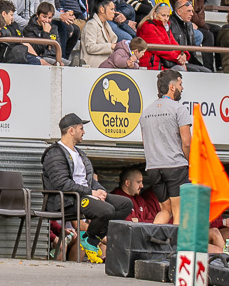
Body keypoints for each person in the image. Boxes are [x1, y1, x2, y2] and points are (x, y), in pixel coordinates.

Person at [42, 115, 130, 260]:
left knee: (125, 204)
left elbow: (88, 180)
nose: (84, 132)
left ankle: (91, 239)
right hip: (68, 201)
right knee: (107, 210)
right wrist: (91, 192)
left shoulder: (80, 154)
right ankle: (90, 238)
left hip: (85, 195)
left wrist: (100, 191)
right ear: (71, 131)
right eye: (81, 128)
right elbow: (62, 184)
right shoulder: (54, 153)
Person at [138, 68, 191, 223]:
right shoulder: (179, 109)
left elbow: (145, 141)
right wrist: (191, 162)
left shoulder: (146, 112)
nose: (182, 88)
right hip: (175, 166)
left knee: (165, 210)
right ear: (172, 87)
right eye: (180, 84)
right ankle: (177, 248)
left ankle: (152, 244)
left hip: (153, 167)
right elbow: (186, 142)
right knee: (179, 211)